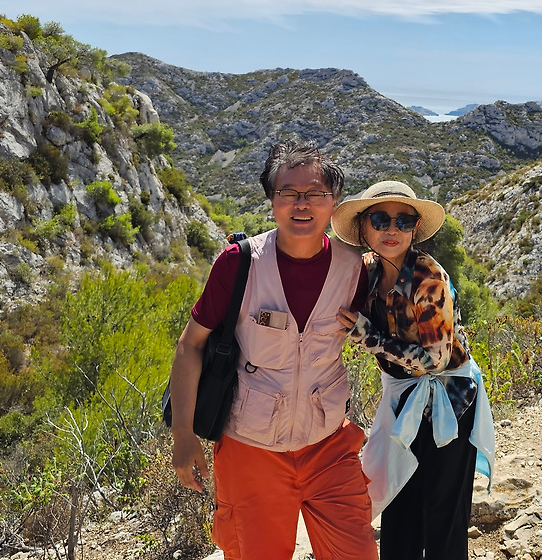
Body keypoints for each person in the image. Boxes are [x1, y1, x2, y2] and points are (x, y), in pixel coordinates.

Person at [168, 143, 377, 560]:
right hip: (251, 451)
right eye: (288, 193)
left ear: (334, 202)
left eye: (315, 193)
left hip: (329, 446)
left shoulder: (353, 269)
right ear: (271, 200)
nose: (302, 204)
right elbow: (190, 344)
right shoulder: (239, 264)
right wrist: (183, 435)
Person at [331, 181, 494, 560]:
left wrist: (368, 336)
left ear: (415, 228)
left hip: (451, 405)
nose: (392, 229)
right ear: (363, 227)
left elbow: (434, 361)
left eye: (403, 221)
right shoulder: (367, 271)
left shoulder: (429, 279)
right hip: (405, 402)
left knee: (443, 514)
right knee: (400, 506)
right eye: (380, 219)